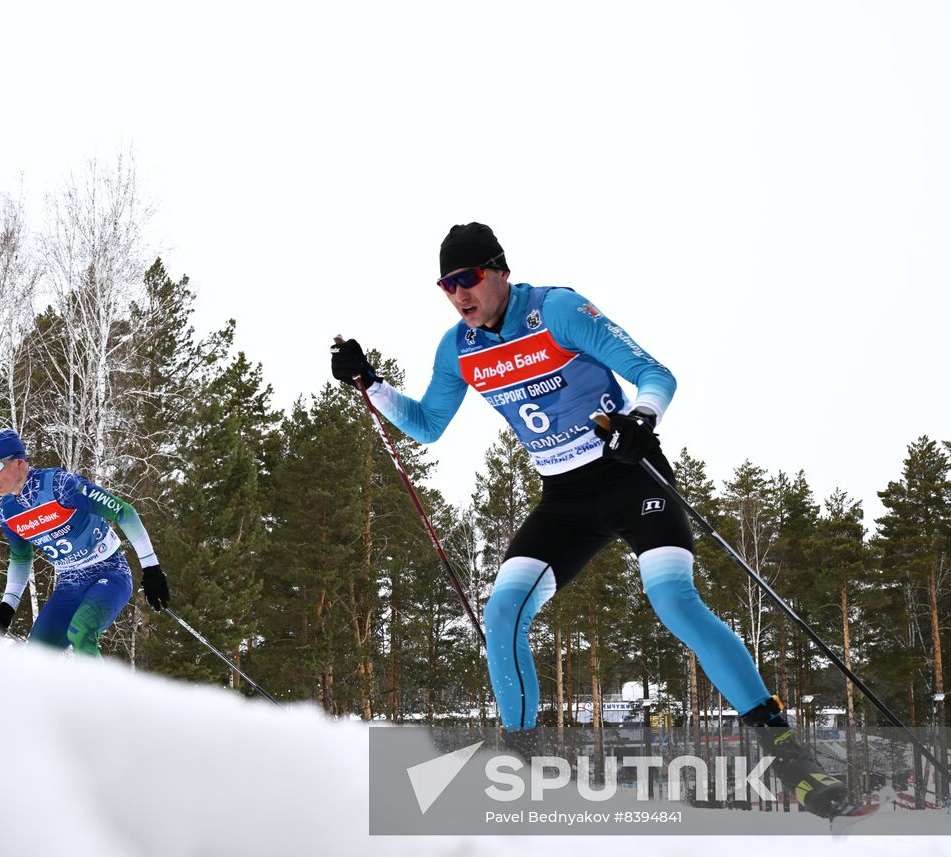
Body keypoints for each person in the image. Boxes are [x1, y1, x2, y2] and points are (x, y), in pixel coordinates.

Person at [330, 222, 847, 817]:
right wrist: (369, 384)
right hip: (564, 498)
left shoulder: (557, 310)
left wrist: (642, 419)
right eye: (446, 285)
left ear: (499, 269)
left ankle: (789, 758)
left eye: (467, 279)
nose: (458, 294)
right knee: (502, 611)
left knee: (674, 600)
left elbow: (656, 375)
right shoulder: (458, 348)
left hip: (631, 474)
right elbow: (426, 425)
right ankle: (521, 766)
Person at [0, 428, 170, 657]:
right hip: (70, 583)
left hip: (109, 572)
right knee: (35, 655)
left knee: (82, 631)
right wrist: (8, 606)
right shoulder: (7, 513)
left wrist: (151, 568)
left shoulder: (60, 486)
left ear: (19, 462)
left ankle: (100, 693)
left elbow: (123, 512)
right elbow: (21, 558)